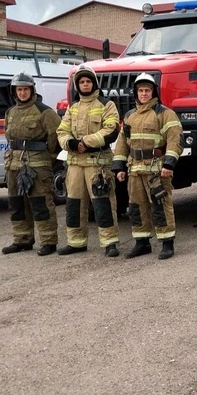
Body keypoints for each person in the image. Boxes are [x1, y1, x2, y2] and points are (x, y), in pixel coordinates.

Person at [112, 73, 183, 260]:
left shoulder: (164, 113)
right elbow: (122, 143)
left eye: (147, 90)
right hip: (135, 170)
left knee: (161, 206)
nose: (144, 94)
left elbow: (175, 140)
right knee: (136, 207)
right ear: (136, 92)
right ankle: (141, 243)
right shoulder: (129, 116)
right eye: (141, 90)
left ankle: (167, 244)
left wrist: (169, 164)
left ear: (154, 92)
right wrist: (119, 166)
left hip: (156, 169)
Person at [56, 65, 121, 257]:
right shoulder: (73, 107)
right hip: (75, 164)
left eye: (88, 81)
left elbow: (111, 129)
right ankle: (76, 242)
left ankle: (110, 243)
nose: (85, 84)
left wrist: (85, 142)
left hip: (97, 164)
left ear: (94, 83)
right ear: (78, 85)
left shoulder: (106, 104)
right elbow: (61, 131)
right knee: (74, 204)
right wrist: (71, 144)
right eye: (82, 82)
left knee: (103, 204)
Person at [1, 72, 61, 256]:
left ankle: (48, 242)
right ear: (14, 91)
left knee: (40, 204)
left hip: (37, 166)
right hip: (13, 165)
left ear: (32, 90)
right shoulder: (10, 112)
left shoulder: (44, 111)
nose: (22, 93)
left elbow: (56, 137)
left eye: (25, 89)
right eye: (19, 89)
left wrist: (46, 158)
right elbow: (7, 135)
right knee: (16, 203)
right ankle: (22, 239)